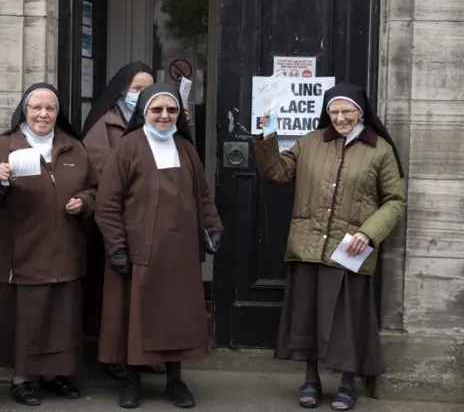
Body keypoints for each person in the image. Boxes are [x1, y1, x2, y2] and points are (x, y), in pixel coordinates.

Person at [253, 83, 405, 411]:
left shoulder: (379, 150)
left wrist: (369, 233)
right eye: (334, 111)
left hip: (350, 249)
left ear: (361, 112)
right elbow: (277, 173)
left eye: (346, 111)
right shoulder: (310, 142)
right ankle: (310, 379)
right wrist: (267, 137)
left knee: (347, 319)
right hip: (309, 243)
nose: (339, 117)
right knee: (307, 315)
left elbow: (395, 200)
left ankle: (348, 383)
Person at [0, 83, 98, 406]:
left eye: (50, 108)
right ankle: (22, 379)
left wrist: (84, 201)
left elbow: (96, 189)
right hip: (22, 253)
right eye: (36, 107)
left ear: (57, 113)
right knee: (28, 318)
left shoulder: (73, 147)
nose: (43, 113)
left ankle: (56, 375)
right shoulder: (2, 146)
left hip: (66, 250)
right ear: (24, 111)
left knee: (61, 318)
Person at [94, 82, 223, 409]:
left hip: (180, 254)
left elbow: (202, 195)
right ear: (143, 113)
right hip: (140, 251)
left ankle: (175, 381)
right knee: (137, 320)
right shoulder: (127, 148)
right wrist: (117, 247)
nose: (164, 116)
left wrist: (212, 226)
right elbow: (107, 204)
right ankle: (132, 381)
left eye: (171, 110)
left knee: (176, 318)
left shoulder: (185, 148)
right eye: (157, 110)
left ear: (179, 114)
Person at [81, 61, 164, 379]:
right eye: (137, 89)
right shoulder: (105, 125)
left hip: (153, 221)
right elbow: (100, 173)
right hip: (118, 221)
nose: (143, 95)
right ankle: (116, 356)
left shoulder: (161, 122)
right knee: (116, 296)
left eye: (149, 89)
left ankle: (147, 353)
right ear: (122, 92)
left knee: (149, 291)